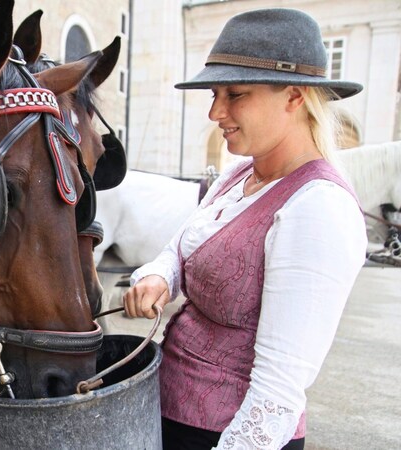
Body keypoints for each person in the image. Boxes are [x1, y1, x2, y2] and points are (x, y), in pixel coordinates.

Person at [122, 8, 366, 450]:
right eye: (215, 93)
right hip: (167, 413)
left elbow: (279, 388)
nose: (216, 111)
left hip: (224, 435)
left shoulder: (319, 208)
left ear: (294, 96)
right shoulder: (238, 175)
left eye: (236, 93)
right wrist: (160, 274)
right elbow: (181, 247)